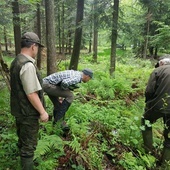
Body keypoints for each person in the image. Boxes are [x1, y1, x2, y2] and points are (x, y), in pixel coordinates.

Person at [10, 32, 49, 170]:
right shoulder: (27, 65)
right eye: (38, 47)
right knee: (28, 148)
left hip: (19, 111)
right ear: (33, 46)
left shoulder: (16, 61)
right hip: (27, 114)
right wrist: (43, 112)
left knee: (23, 141)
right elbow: (31, 93)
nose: (37, 50)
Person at [141, 56, 170, 167]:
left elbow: (149, 90)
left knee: (145, 120)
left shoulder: (158, 70)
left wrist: (148, 104)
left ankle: (148, 151)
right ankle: (164, 165)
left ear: (161, 63)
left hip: (158, 105)